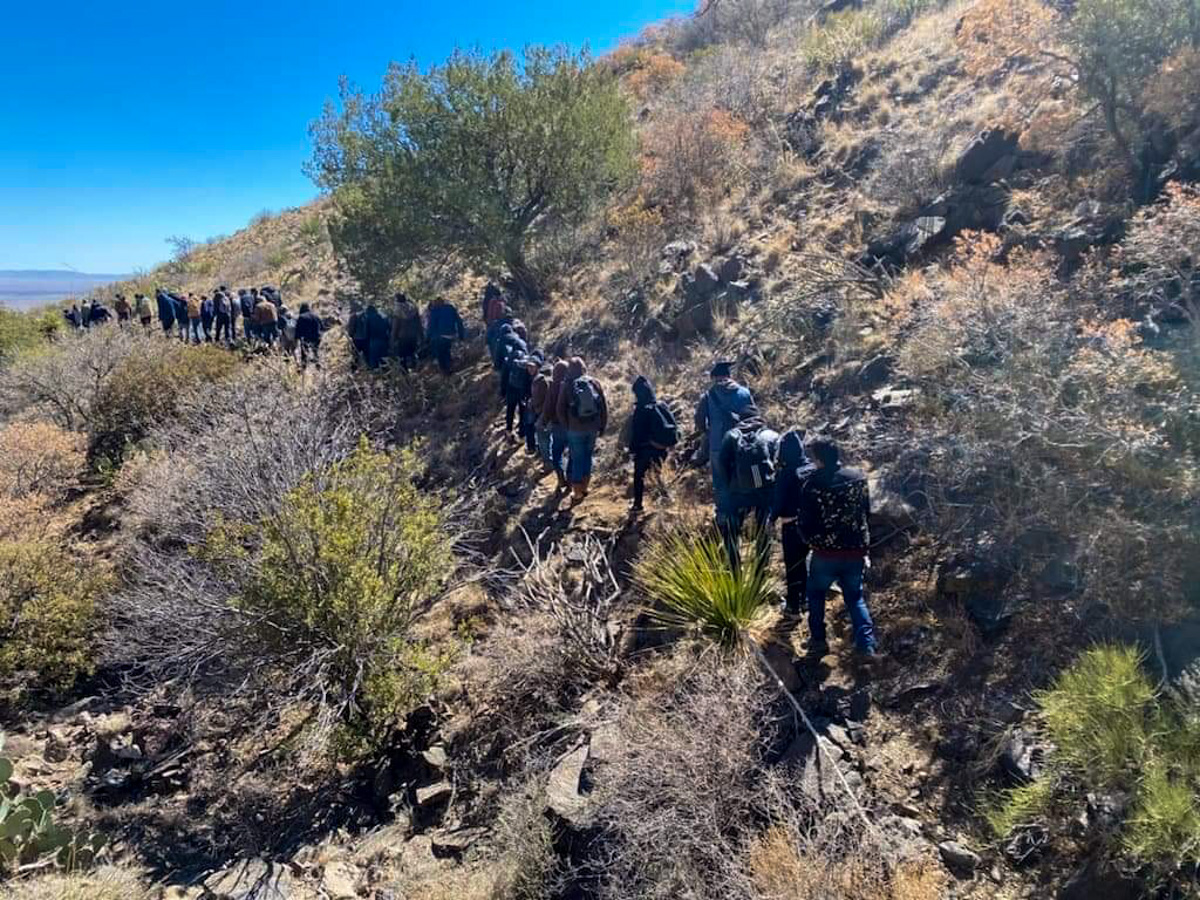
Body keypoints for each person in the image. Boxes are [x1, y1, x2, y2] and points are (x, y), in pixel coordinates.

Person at [798, 436, 876, 658]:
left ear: (819, 459)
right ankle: (867, 645)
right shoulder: (858, 477)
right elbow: (866, 512)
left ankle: (818, 641)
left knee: (815, 595)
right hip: (855, 550)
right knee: (855, 597)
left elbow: (804, 522)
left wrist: (809, 540)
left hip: (825, 553)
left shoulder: (812, 485)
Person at [717, 407, 780, 573]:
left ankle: (734, 568)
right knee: (763, 529)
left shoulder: (731, 435)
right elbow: (780, 464)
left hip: (738, 491)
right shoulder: (771, 435)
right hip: (764, 491)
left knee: (731, 530)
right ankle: (761, 570)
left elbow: (721, 463)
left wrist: (730, 485)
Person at [695, 361, 757, 528]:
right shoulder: (745, 392)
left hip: (718, 447)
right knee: (742, 478)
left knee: (721, 483)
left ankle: (724, 518)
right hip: (742, 446)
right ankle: (743, 513)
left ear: (715, 378)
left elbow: (699, 422)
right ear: (729, 376)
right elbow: (754, 418)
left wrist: (709, 432)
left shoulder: (708, 396)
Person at [774, 430, 816, 618]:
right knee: (806, 563)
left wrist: (769, 519)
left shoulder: (785, 473)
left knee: (793, 566)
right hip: (811, 525)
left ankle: (793, 607)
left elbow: (777, 503)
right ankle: (806, 600)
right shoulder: (812, 468)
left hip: (791, 526)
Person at [556, 357, 608, 503]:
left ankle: (577, 492)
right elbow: (603, 406)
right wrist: (602, 426)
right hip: (592, 428)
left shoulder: (566, 385)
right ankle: (585, 487)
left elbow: (559, 410)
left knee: (577, 458)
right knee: (587, 457)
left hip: (575, 429)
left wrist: (567, 426)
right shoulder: (594, 382)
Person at [628, 376, 677, 514]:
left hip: (645, 449)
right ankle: (665, 499)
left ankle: (638, 505)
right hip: (661, 449)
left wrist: (633, 450)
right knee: (657, 474)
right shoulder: (661, 405)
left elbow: (637, 433)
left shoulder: (641, 409)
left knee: (639, 477)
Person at [539, 359, 570, 489]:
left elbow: (548, 406)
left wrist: (543, 421)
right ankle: (571, 480)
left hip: (558, 425)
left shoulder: (554, 385)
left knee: (556, 453)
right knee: (572, 453)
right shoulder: (572, 384)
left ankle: (561, 478)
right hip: (572, 426)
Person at [390, 293, 423, 371]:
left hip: (402, 337)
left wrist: (392, 340)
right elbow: (419, 324)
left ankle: (405, 374)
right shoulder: (413, 309)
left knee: (402, 358)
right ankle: (416, 372)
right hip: (413, 336)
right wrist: (421, 337)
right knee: (413, 354)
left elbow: (395, 327)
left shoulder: (397, 310)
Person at [492, 323, 526, 398]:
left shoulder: (501, 340)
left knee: (505, 376)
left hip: (512, 360)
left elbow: (498, 356)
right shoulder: (518, 338)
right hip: (524, 359)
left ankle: (503, 395)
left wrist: (496, 367)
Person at [530, 360, 554, 464]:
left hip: (544, 414)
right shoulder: (555, 382)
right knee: (551, 438)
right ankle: (551, 460)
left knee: (543, 437)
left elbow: (538, 400)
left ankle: (548, 462)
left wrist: (531, 405)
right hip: (554, 414)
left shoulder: (539, 381)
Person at [362, 302, 390, 369]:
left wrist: (365, 341)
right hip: (384, 340)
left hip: (374, 340)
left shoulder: (368, 318)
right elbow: (388, 327)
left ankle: (375, 373)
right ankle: (386, 373)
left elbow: (366, 331)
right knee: (384, 358)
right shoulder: (382, 317)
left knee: (373, 358)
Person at [296, 303, 322, 369]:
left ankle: (304, 367)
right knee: (315, 351)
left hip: (306, 337)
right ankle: (318, 364)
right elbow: (322, 326)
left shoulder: (301, 317)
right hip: (316, 337)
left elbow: (298, 329)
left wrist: (297, 337)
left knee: (304, 353)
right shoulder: (316, 315)